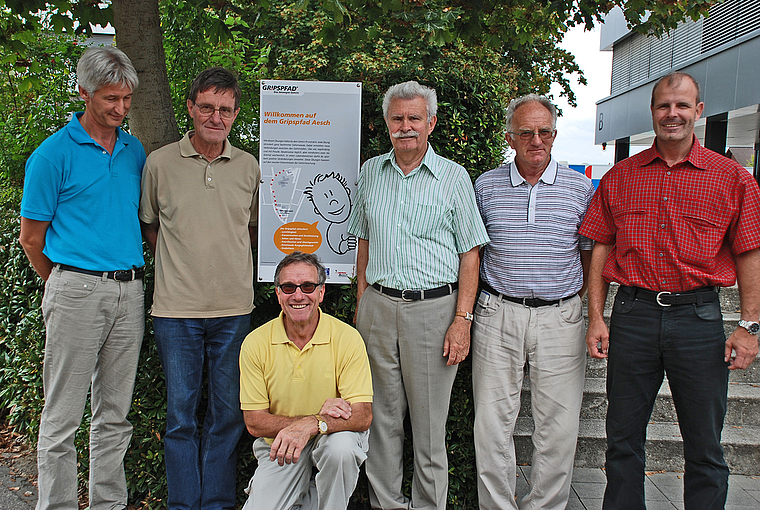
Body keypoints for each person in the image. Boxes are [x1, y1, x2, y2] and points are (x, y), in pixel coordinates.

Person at [580, 71, 760, 509]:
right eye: (664, 106)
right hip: (634, 315)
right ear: (652, 112)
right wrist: (597, 317)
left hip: (698, 319)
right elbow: (600, 244)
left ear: (698, 112)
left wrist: (750, 326)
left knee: (705, 445)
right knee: (622, 438)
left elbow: (750, 253)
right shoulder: (622, 176)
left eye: (682, 105)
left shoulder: (733, 178)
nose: (672, 114)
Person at [347, 80, 490, 510]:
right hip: (378, 306)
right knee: (382, 422)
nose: (405, 126)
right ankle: (387, 505)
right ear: (386, 124)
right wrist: (361, 306)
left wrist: (461, 321)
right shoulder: (371, 171)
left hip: (434, 312)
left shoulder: (453, 177)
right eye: (397, 119)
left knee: (429, 429)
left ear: (430, 122)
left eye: (414, 118)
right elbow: (364, 243)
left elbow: (471, 253)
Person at [18, 46, 146, 510]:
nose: (120, 108)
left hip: (130, 291)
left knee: (114, 415)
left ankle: (109, 505)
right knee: (62, 418)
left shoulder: (135, 151)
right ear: (84, 93)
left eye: (127, 99)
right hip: (76, 289)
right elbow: (32, 238)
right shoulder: (52, 155)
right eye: (111, 99)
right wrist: (64, 283)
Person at [139, 67, 260, 510]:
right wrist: (182, 263)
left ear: (235, 114)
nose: (215, 117)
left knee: (228, 416)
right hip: (176, 312)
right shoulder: (160, 164)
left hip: (233, 311)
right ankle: (184, 505)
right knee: (181, 419)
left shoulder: (249, 167)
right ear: (190, 108)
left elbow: (251, 230)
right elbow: (150, 226)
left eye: (224, 109)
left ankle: (217, 504)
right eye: (206, 107)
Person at [472, 94, 594, 509]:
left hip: (560, 316)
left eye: (544, 131)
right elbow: (472, 253)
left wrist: (583, 305)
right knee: (491, 425)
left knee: (558, 428)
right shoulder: (486, 185)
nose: (536, 140)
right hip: (496, 313)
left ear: (555, 135)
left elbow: (590, 252)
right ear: (511, 136)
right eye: (526, 132)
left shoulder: (580, 188)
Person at [239, 251, 373, 510]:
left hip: (331, 435)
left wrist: (314, 425)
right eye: (288, 287)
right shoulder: (255, 343)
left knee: (342, 449)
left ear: (321, 292)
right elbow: (254, 422)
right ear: (278, 293)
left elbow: (362, 415)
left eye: (308, 286)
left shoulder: (347, 338)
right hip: (282, 443)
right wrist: (305, 424)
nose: (298, 295)